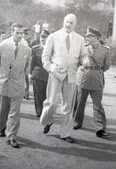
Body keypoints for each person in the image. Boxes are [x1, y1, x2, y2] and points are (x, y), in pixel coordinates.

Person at [40, 13, 86, 143]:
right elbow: (45, 57)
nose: (68, 25)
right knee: (51, 102)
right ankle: (47, 121)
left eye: (71, 23)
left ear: (75, 24)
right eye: (66, 22)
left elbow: (83, 55)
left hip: (71, 74)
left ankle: (65, 133)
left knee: (68, 106)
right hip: (55, 73)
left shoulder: (80, 39)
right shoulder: (53, 36)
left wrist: (85, 61)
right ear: (63, 22)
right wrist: (50, 68)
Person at [0, 23, 31, 148]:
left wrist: (26, 87)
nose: (20, 35)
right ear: (11, 32)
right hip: (4, 82)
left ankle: (12, 136)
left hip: (18, 84)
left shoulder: (27, 50)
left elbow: (27, 69)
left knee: (15, 112)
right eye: (17, 33)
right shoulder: (1, 46)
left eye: (22, 33)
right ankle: (1, 128)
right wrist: (1, 75)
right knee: (2, 110)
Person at [73, 28, 111, 138]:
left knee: (97, 105)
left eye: (89, 36)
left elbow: (106, 66)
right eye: (86, 36)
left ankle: (100, 127)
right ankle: (77, 122)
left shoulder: (105, 50)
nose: (87, 38)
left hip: (96, 78)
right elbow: (76, 63)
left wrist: (95, 71)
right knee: (80, 103)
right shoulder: (83, 49)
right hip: (83, 77)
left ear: (97, 38)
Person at [30, 29, 50, 117]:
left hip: (48, 75)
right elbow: (32, 62)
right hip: (37, 74)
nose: (42, 39)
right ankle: (39, 111)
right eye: (41, 37)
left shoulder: (53, 49)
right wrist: (30, 73)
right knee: (38, 95)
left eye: (45, 37)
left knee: (47, 94)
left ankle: (46, 111)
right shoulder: (36, 49)